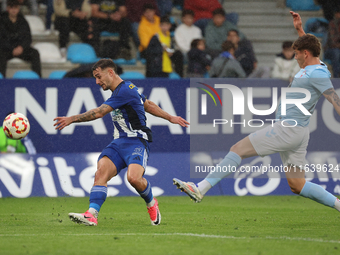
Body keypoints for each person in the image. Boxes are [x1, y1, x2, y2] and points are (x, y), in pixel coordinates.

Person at [173, 11, 340, 215]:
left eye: (297, 54)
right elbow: (311, 51)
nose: (295, 57)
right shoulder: (316, 65)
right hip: (298, 132)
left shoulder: (318, 73)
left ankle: (200, 189)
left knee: (237, 149)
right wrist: (299, 30)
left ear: (305, 53)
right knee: (298, 185)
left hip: (287, 128)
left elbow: (333, 98)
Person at [54, 59, 189, 226]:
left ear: (110, 72)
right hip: (118, 143)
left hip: (136, 142)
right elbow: (147, 104)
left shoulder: (124, 91)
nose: (97, 82)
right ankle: (92, 214)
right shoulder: (126, 89)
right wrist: (170, 117)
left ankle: (151, 203)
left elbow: (98, 113)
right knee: (100, 173)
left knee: (133, 178)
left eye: (98, 76)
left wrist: (71, 119)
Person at [0, 0, 41, 78]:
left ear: (18, 8)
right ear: (7, 8)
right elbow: (1, 39)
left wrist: (21, 47)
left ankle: (38, 79)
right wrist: (12, 48)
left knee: (35, 53)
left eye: (15, 7)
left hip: (21, 49)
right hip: (7, 50)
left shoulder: (23, 21)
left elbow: (28, 38)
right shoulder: (2, 21)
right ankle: (2, 80)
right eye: (11, 8)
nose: (14, 10)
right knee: (1, 55)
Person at [324, 8, 340, 78]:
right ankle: (337, 77)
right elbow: (332, 42)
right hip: (330, 49)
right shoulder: (332, 24)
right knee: (336, 53)